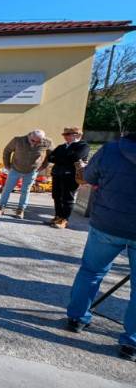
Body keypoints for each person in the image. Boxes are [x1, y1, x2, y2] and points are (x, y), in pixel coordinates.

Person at [65, 132, 136, 361]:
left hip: (107, 223)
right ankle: (131, 342)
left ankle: (76, 318)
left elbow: (89, 177)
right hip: (110, 223)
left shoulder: (111, 149)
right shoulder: (111, 149)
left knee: (91, 272)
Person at [0, 130, 53, 219]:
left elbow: (51, 155)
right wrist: (7, 165)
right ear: (29, 136)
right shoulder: (17, 140)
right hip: (15, 169)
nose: (35, 143)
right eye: (33, 141)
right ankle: (1, 207)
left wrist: (43, 166)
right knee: (7, 189)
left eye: (38, 141)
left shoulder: (47, 142)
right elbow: (7, 151)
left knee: (25, 191)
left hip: (32, 171)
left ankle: (21, 209)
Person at [47, 127, 90, 229]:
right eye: (64, 135)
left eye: (68, 135)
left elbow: (74, 158)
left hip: (71, 176)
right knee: (56, 196)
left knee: (67, 198)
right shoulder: (61, 146)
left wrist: (59, 159)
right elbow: (50, 157)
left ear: (77, 135)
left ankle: (64, 219)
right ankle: (58, 216)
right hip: (57, 173)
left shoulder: (83, 146)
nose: (65, 137)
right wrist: (64, 158)